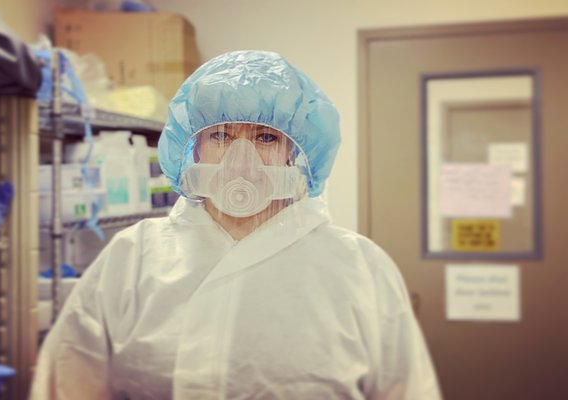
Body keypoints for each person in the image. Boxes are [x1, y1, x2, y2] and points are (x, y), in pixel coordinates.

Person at [30, 50, 441, 399]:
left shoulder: (359, 267)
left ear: (295, 154)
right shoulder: (133, 256)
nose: (240, 160)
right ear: (193, 148)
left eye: (265, 138)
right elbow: (67, 381)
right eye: (221, 136)